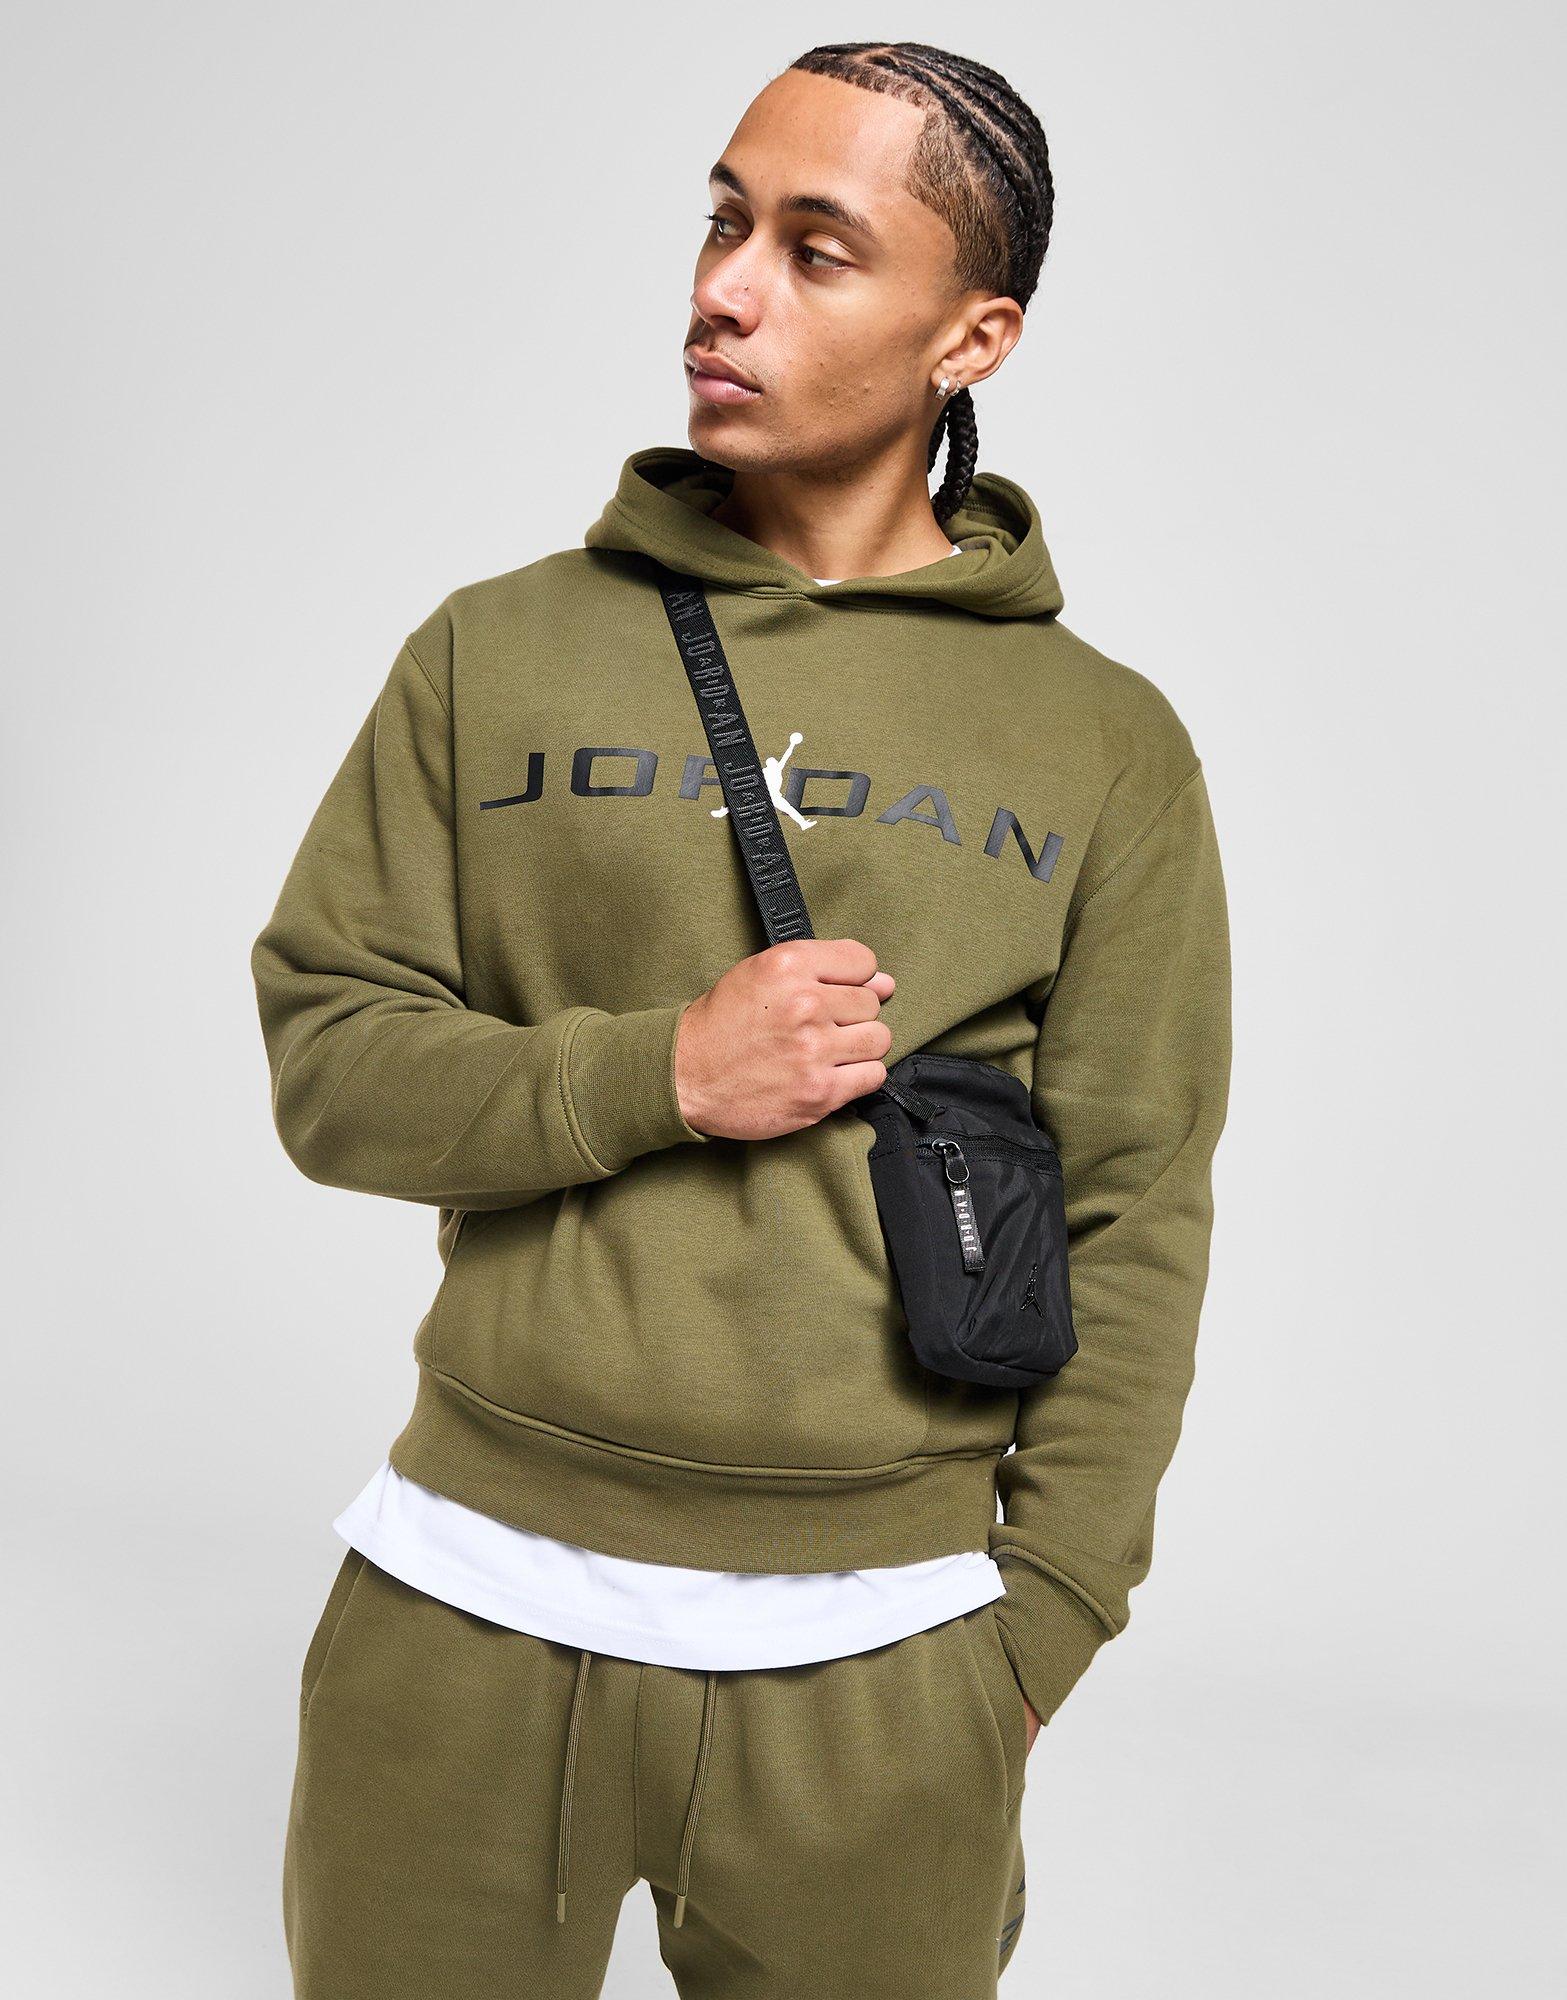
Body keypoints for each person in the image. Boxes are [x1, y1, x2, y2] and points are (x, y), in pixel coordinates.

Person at [251, 39, 1232, 2000]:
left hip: (881, 1663)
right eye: (721, 222)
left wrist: (1036, 1629)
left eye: (814, 246)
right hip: (461, 1604)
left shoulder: (1106, 743)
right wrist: (663, 1072)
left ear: (972, 336)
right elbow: (330, 1065)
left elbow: (1135, 1211)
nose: (724, 288)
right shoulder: (495, 648)